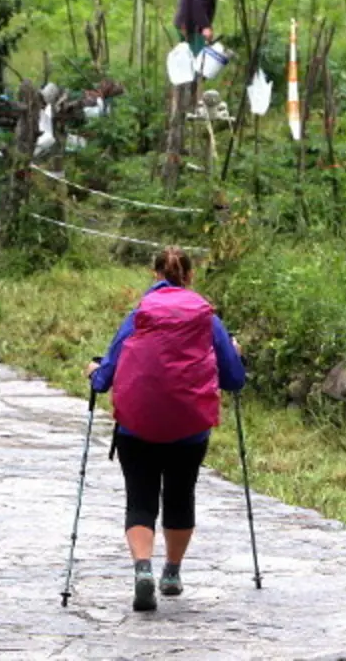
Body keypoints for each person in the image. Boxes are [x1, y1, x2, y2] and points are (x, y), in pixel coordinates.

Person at [85, 246, 245, 612]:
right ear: (190, 276)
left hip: (135, 429)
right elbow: (234, 380)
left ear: (154, 275)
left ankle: (143, 568)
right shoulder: (208, 319)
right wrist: (235, 353)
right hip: (189, 429)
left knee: (139, 499)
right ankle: (171, 572)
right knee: (180, 496)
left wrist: (94, 372)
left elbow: (104, 379)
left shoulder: (138, 315)